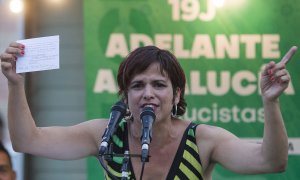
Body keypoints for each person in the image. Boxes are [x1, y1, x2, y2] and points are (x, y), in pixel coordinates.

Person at [0, 42, 297, 180]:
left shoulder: (204, 140)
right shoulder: (105, 133)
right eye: (137, 85)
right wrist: (15, 84)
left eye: (159, 85)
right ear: (125, 95)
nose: (148, 94)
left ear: (177, 93)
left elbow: (272, 161)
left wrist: (270, 102)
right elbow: (28, 141)